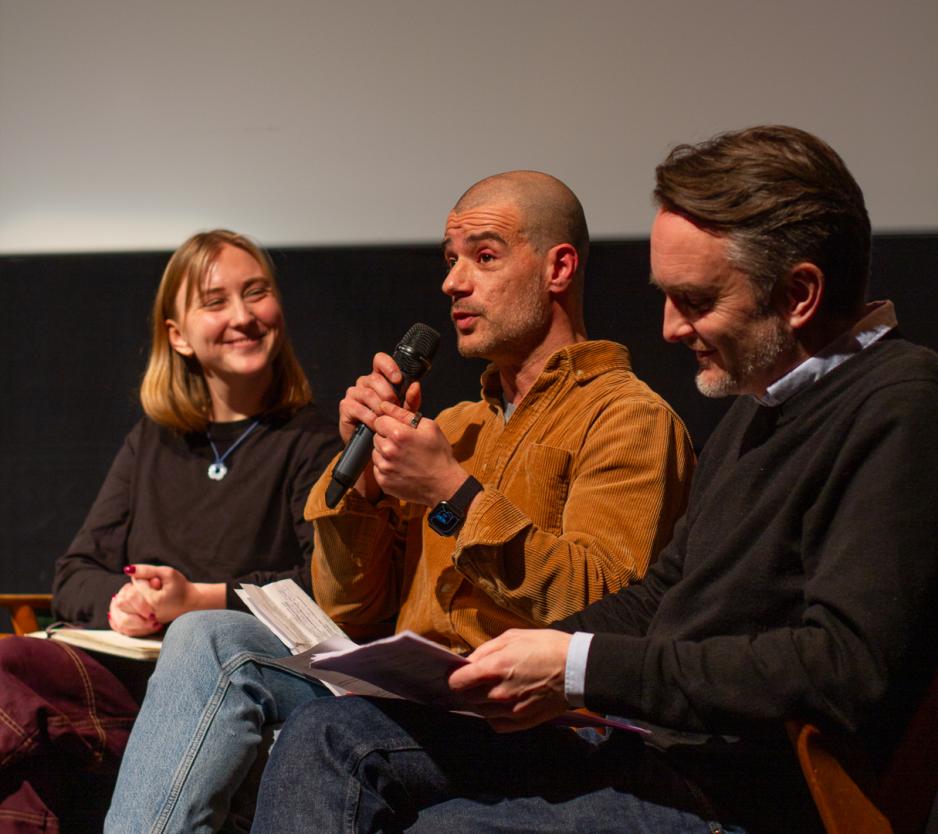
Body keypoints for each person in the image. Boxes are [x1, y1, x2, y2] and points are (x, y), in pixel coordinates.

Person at [248, 126, 938, 834]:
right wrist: (509, 661)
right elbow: (663, 597)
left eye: (696, 300)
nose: (669, 328)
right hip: (646, 747)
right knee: (330, 735)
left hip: (743, 794)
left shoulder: (900, 404)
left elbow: (841, 668)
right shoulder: (757, 409)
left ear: (799, 294)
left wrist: (577, 666)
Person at [105, 171, 695, 833]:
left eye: (485, 256)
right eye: (450, 261)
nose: (453, 282)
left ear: (558, 267)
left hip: (531, 716)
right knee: (208, 637)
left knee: (334, 732)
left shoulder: (627, 418)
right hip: (414, 696)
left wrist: (451, 493)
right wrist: (361, 488)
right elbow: (348, 610)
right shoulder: (458, 423)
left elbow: (606, 608)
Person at [0, 229, 340, 834]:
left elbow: (325, 586)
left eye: (256, 293)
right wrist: (128, 601)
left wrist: (196, 599)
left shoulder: (314, 440)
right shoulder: (153, 440)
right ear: (177, 336)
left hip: (229, 678)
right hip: (129, 673)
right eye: (215, 302)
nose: (242, 316)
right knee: (9, 673)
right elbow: (74, 573)